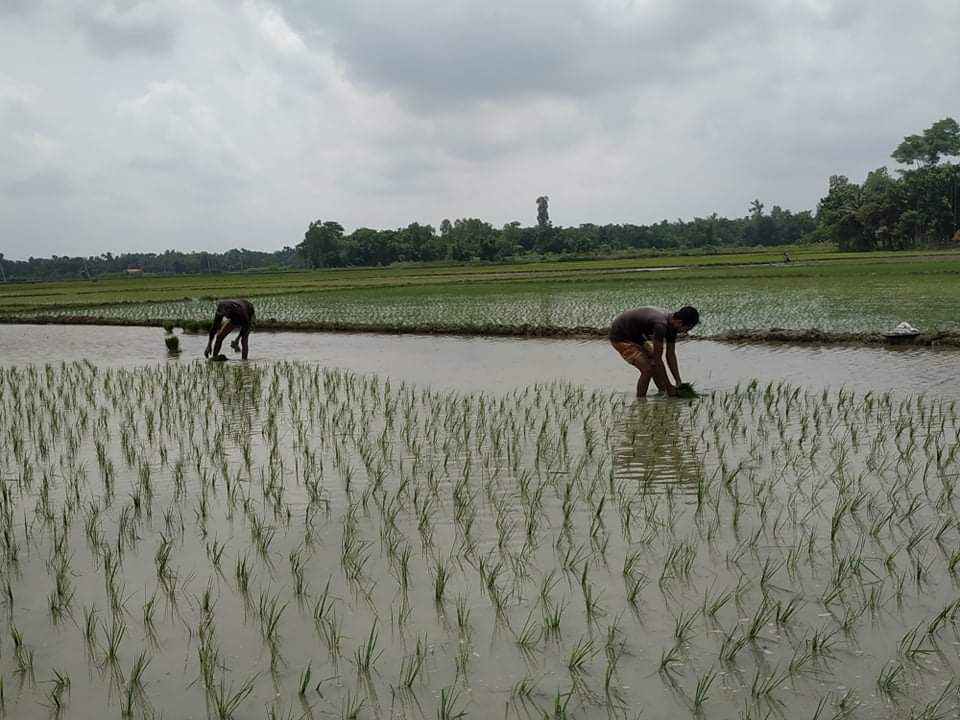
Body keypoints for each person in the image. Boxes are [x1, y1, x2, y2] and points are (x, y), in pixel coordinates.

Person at [609, 305, 699, 397]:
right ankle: (641, 401)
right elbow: (658, 358)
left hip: (637, 336)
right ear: (679, 322)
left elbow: (670, 355)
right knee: (647, 369)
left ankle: (663, 392)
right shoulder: (660, 325)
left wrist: (678, 381)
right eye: (686, 329)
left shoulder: (673, 325)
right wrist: (669, 386)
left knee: (654, 364)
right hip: (620, 336)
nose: (685, 332)